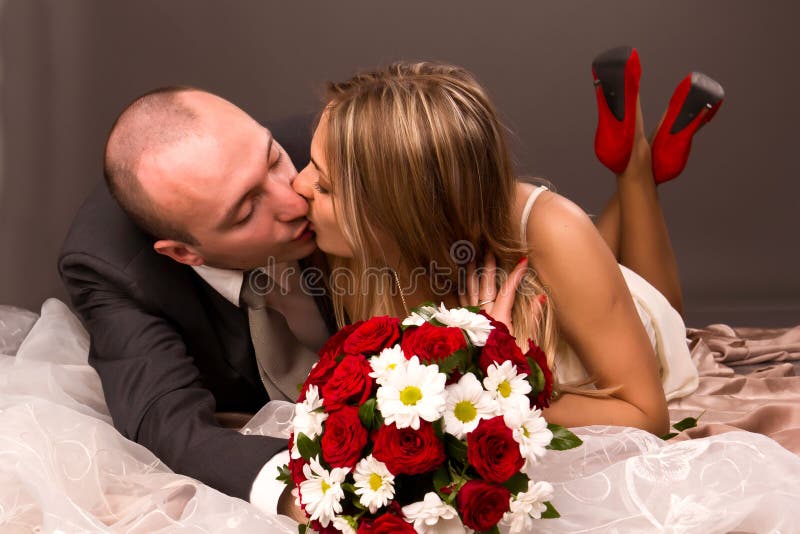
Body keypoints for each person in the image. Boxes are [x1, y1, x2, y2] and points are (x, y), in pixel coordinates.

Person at [292, 58, 718, 435]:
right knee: (589, 261)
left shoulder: (554, 228)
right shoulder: (355, 249)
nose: (297, 185)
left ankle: (635, 166)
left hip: (615, 317)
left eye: (324, 185)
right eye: (310, 164)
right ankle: (639, 160)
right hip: (573, 288)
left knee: (671, 317)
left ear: (400, 210)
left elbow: (647, 416)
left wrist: (498, 381)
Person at [58, 87, 333, 515]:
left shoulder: (329, 146)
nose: (295, 200)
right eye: (245, 213)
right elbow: (171, 428)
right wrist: (309, 496)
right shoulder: (111, 266)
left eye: (274, 159)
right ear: (184, 254)